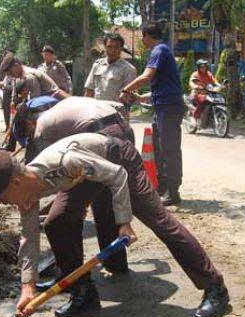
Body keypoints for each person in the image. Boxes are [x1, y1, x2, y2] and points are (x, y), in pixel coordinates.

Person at [0, 133, 230, 317]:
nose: (8, 204)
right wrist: (27, 286)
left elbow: (117, 175)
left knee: (159, 221)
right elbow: (29, 237)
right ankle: (84, 294)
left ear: (17, 182)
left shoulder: (67, 162)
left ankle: (215, 287)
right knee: (57, 223)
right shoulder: (27, 193)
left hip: (117, 160)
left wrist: (124, 221)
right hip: (86, 176)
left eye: (4, 199)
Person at [12, 96, 136, 274]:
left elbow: (57, 170)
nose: (32, 140)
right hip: (121, 130)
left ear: (29, 124)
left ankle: (75, 275)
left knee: (63, 216)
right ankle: (115, 264)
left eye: (28, 136)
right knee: (103, 202)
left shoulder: (41, 130)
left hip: (100, 144)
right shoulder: (54, 109)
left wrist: (73, 203)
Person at [121, 21, 185, 206]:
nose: (142, 40)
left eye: (143, 36)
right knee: (159, 148)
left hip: (169, 107)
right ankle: (163, 188)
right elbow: (161, 87)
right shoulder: (161, 51)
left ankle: (173, 191)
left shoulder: (159, 50)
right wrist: (141, 97)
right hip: (163, 106)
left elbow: (147, 76)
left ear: (148, 36)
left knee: (169, 149)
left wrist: (125, 90)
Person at [84, 33, 138, 113]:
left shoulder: (129, 69)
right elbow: (89, 90)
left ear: (121, 48)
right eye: (109, 47)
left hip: (116, 114)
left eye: (116, 47)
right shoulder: (97, 65)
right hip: (97, 111)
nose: (113, 50)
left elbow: (130, 96)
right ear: (105, 47)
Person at [0, 52, 69, 101]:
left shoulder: (29, 76)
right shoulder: (20, 76)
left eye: (11, 73)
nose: (12, 76)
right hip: (49, 102)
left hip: (56, 101)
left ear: (16, 65)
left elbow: (36, 103)